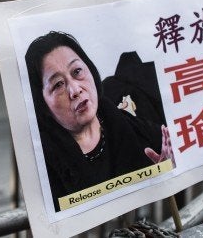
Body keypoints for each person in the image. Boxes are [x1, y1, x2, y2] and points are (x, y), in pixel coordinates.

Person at [24, 31, 173, 211]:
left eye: (77, 71)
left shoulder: (132, 126)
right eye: (58, 85)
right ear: (42, 104)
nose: (75, 90)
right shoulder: (42, 164)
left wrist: (164, 174)